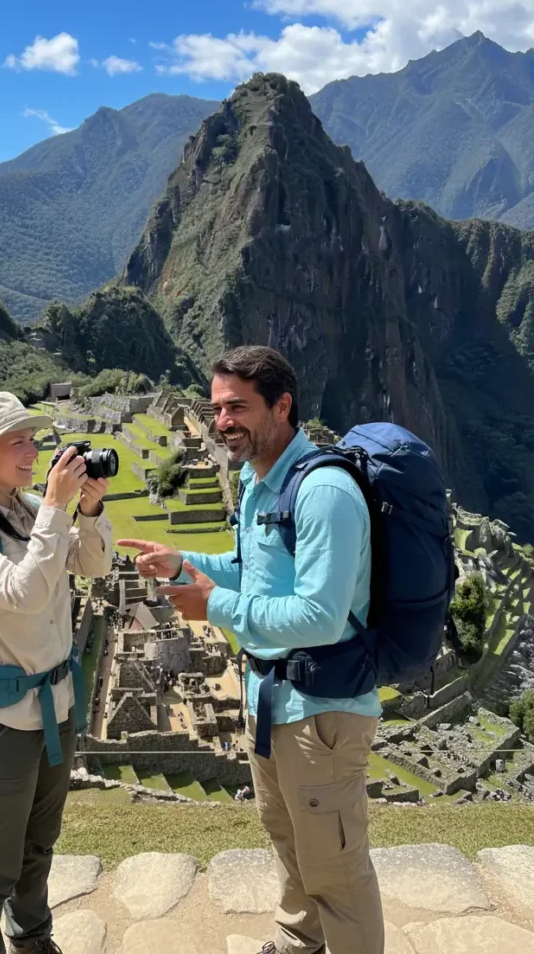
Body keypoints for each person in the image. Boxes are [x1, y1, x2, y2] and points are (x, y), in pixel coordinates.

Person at [119, 346, 383, 954]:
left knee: (337, 870)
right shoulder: (258, 481)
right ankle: (298, 943)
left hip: (321, 707)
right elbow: (250, 572)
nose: (222, 422)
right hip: (271, 699)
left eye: (237, 407)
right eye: (217, 409)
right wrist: (186, 563)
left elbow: (318, 617)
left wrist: (211, 605)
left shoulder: (324, 493)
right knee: (289, 837)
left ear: (282, 406)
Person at [0, 392, 113, 954]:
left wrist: (89, 510)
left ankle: (33, 939)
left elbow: (94, 565)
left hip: (54, 710)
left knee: (38, 847)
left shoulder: (29, 509)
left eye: (34, 439)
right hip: (1, 721)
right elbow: (25, 592)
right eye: (19, 441)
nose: (34, 451)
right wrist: (57, 510)